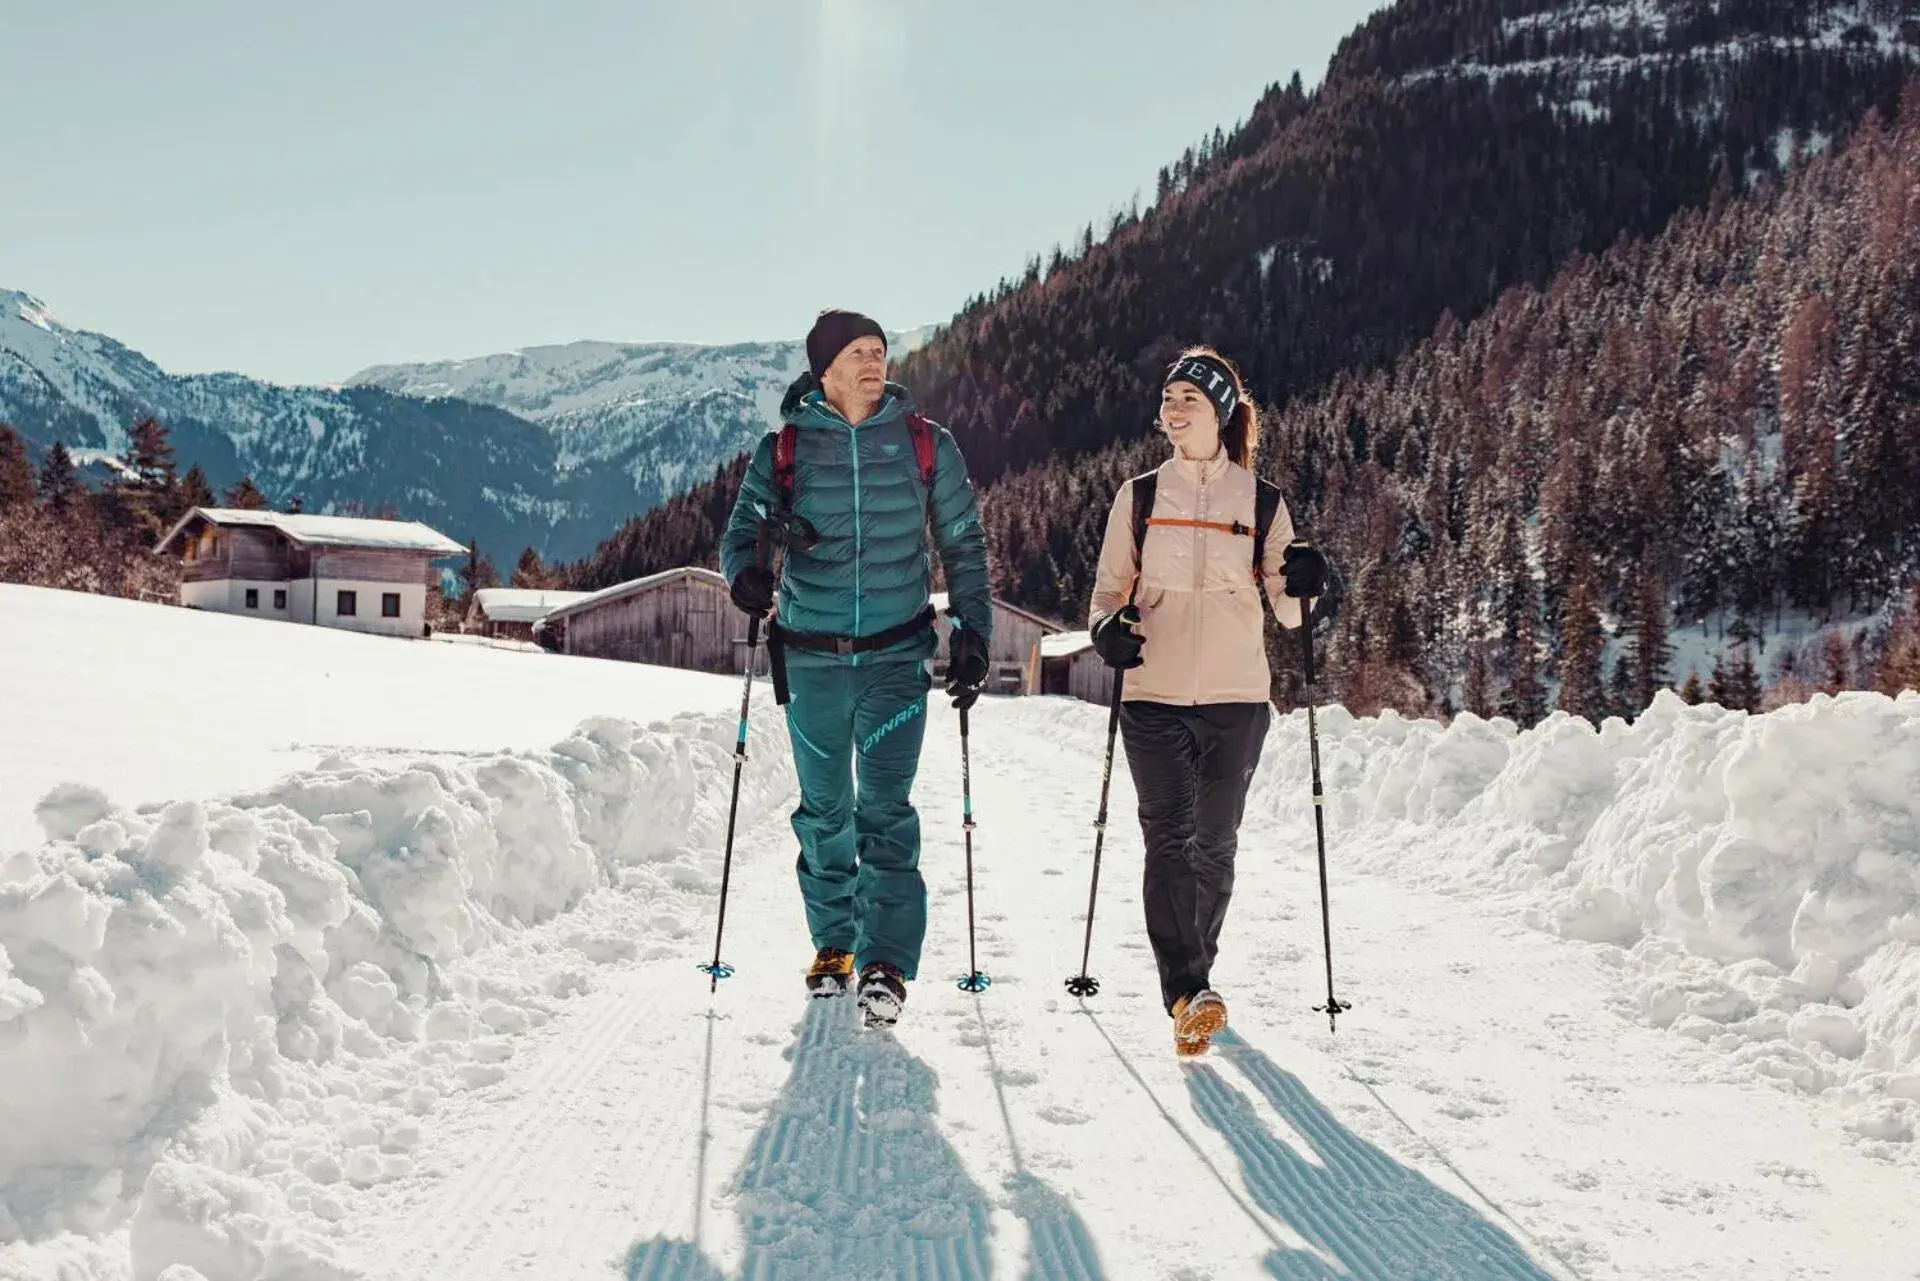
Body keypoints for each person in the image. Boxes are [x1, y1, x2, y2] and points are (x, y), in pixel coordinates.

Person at [721, 309, 994, 1029]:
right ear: (825, 371)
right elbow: (743, 531)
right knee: (824, 812)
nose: (876, 363)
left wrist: (973, 630)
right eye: (859, 353)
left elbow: (964, 544)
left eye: (880, 350)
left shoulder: (925, 446)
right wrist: (745, 575)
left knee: (884, 810)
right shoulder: (782, 449)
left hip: (896, 660)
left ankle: (886, 962)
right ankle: (835, 945)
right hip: (810, 660)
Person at [1086, 346, 1328, 1058]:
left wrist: (1310, 581)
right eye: (1168, 397)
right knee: (1169, 837)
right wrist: (1107, 631)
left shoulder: (1261, 501)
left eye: (1188, 396)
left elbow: (1290, 613)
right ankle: (1188, 991)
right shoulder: (1137, 497)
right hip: (1154, 695)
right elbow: (1107, 594)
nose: (1173, 407)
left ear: (1220, 410)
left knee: (1214, 845)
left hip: (1237, 697)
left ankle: (1199, 983)